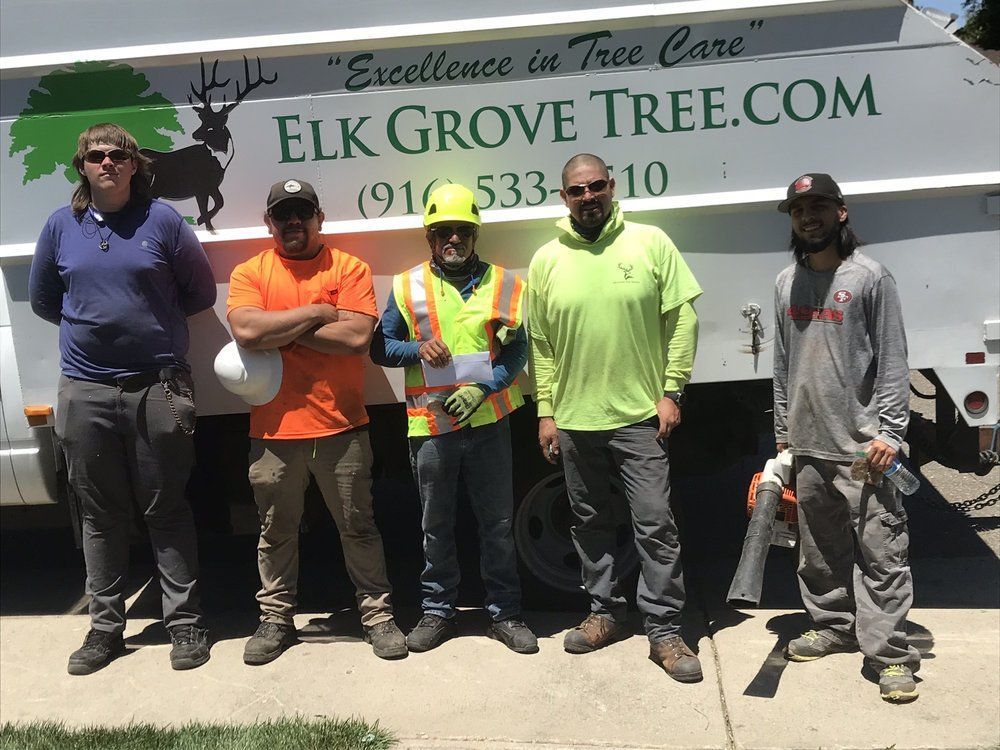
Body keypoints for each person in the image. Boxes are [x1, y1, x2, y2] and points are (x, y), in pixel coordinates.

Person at [28, 123, 216, 674]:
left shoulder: (164, 221)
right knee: (100, 514)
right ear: (81, 166)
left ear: (135, 165)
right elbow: (45, 300)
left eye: (117, 155)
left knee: (167, 508)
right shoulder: (61, 226)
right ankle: (105, 630)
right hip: (84, 390)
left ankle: (185, 625)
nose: (107, 163)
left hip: (157, 387)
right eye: (95, 155)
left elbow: (199, 292)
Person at [527, 154, 703, 681]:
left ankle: (666, 631)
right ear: (563, 198)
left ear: (611, 187)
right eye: (577, 190)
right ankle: (604, 613)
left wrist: (672, 390)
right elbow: (541, 344)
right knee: (589, 522)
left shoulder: (650, 242)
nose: (588, 197)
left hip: (638, 418)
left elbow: (683, 318)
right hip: (577, 420)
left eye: (596, 186)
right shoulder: (546, 260)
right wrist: (546, 411)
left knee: (655, 523)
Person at [227, 179, 405, 663]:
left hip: (341, 425)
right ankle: (276, 621)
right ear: (269, 223)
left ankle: (378, 617)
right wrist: (315, 312)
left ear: (319, 218)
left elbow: (355, 339)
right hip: (274, 431)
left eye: (302, 213)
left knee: (359, 527)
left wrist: (280, 328)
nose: (293, 222)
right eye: (283, 214)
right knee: (275, 530)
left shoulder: (349, 267)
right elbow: (245, 329)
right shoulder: (251, 271)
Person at [370, 183, 537, 654]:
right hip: (431, 428)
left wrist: (484, 387)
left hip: (489, 423)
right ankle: (437, 611)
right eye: (444, 231)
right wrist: (416, 347)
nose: (454, 240)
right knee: (436, 525)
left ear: (475, 234)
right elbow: (380, 347)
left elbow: (518, 350)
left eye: (463, 231)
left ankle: (506, 614)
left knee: (498, 523)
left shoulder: (504, 283)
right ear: (429, 237)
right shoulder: (407, 285)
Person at [772, 173, 920, 702]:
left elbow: (893, 363)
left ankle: (891, 656)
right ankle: (833, 624)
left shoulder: (870, 278)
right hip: (809, 445)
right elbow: (784, 364)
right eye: (798, 210)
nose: (808, 217)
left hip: (865, 450)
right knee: (818, 551)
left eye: (818, 207)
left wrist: (892, 435)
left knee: (882, 555)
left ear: (842, 212)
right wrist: (783, 434)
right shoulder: (786, 283)